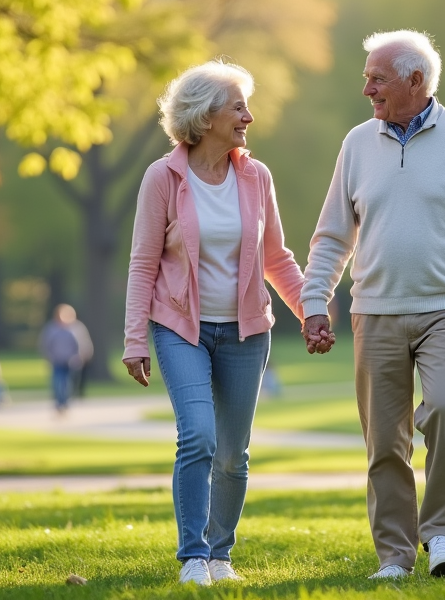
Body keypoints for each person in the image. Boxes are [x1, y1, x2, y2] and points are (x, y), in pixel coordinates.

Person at [301, 30, 445, 580]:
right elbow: (332, 236)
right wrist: (315, 302)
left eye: (377, 78)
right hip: (373, 311)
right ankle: (394, 557)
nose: (366, 88)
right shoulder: (356, 144)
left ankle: (442, 535)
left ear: (415, 81)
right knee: (385, 441)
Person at [121, 60, 328, 587]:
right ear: (205, 114)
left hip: (245, 331)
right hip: (180, 327)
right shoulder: (162, 177)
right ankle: (193, 556)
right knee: (198, 437)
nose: (248, 118)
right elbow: (144, 260)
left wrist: (313, 312)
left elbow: (277, 257)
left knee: (233, 454)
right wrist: (133, 339)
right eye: (238, 107)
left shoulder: (255, 176)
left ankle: (219, 555)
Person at [39, 304, 82, 414]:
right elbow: (45, 344)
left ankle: (66, 402)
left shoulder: (75, 328)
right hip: (56, 360)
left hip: (69, 361)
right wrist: (49, 356)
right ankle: (58, 402)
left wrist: (77, 356)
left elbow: (79, 344)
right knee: (57, 382)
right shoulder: (52, 328)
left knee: (67, 383)